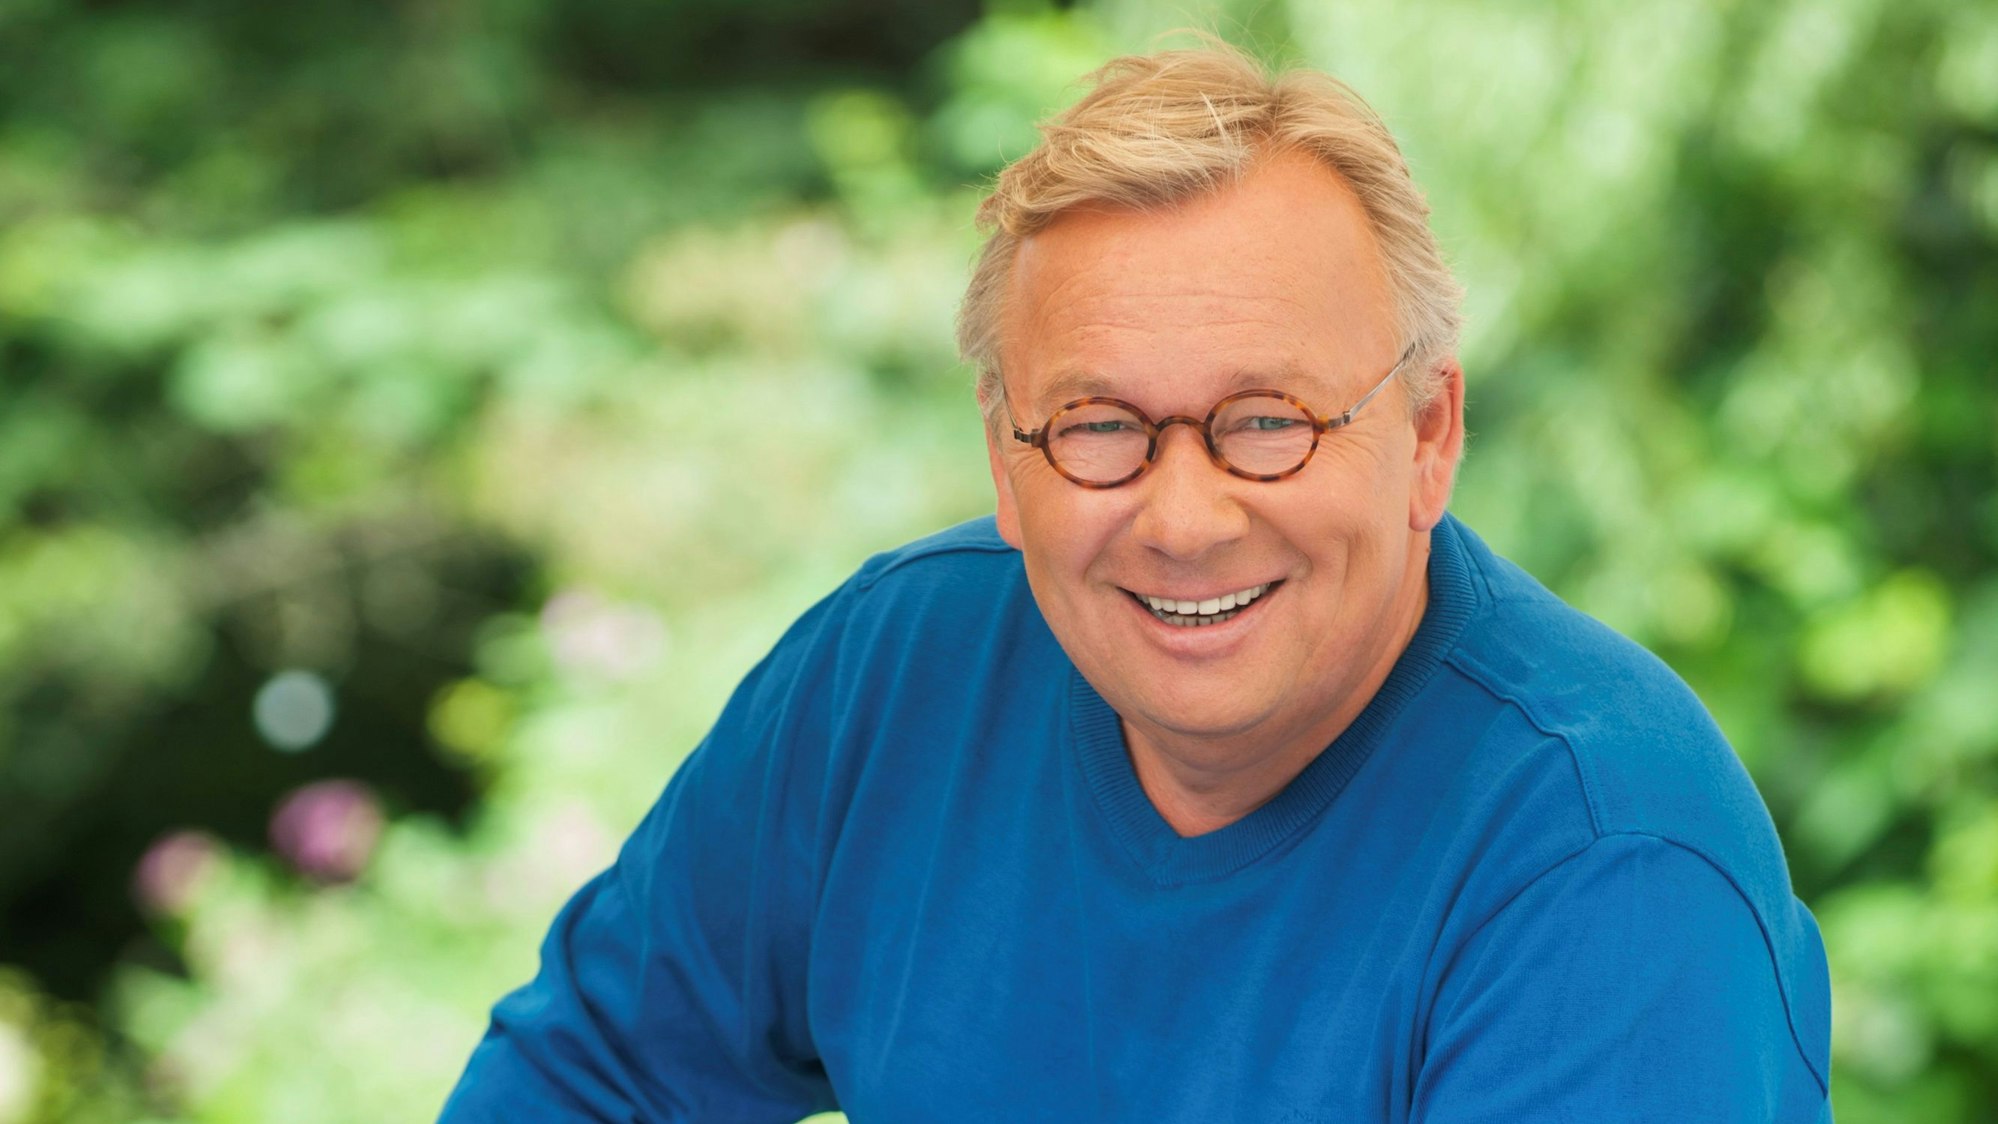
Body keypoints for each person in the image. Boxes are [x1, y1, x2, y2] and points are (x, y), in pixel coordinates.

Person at [441, 42, 1832, 1122]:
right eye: (1100, 426)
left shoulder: (1607, 862)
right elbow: (585, 1080)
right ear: (1005, 457)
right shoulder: (886, 680)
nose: (1183, 518)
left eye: (1269, 421)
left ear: (1427, 435)